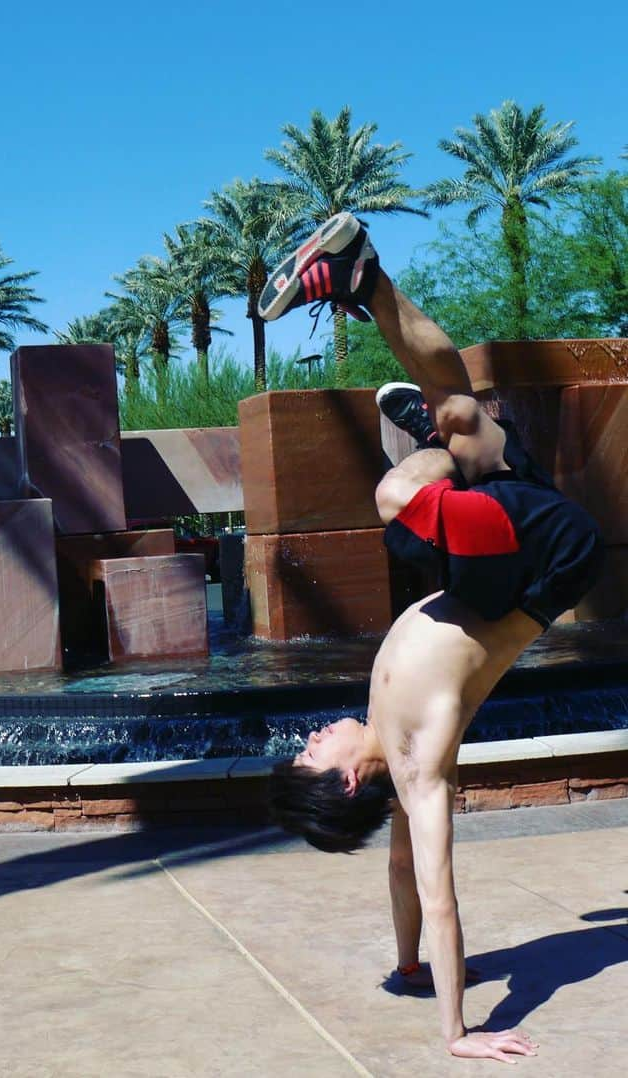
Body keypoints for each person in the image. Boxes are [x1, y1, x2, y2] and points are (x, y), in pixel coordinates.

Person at [257, 212, 604, 1063]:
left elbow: (405, 879)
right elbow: (443, 893)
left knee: (460, 410)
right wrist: (458, 1030)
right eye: (310, 751)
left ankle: (366, 282)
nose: (311, 734)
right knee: (396, 498)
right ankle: (438, 454)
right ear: (346, 780)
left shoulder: (381, 742)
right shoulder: (414, 766)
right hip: (540, 563)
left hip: (495, 558)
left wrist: (406, 961)